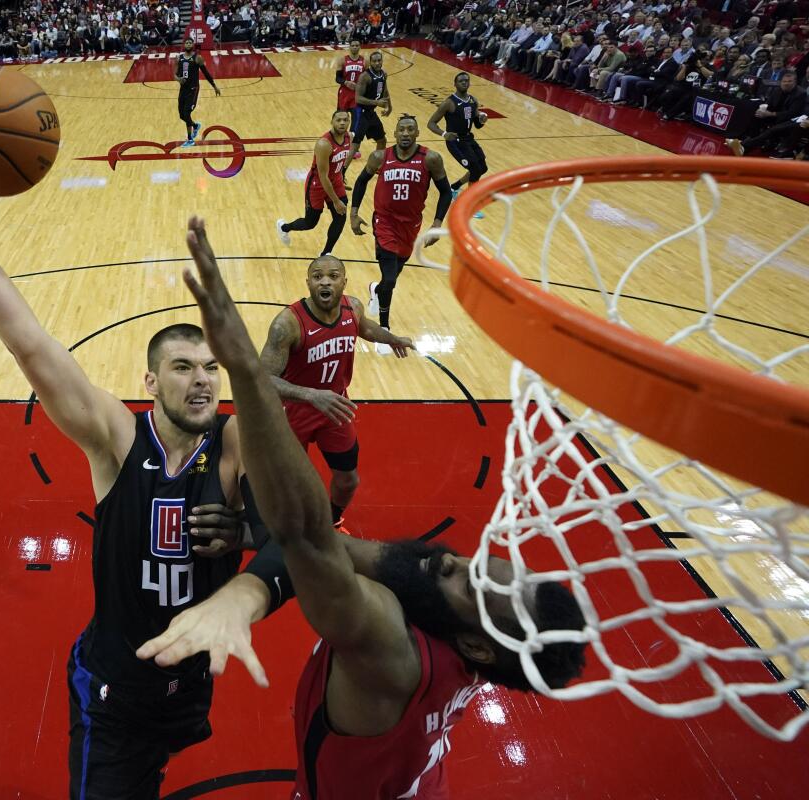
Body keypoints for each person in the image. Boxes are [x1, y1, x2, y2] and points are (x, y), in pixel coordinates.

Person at [142, 217, 589, 800]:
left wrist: (246, 375)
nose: (451, 561)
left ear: (478, 643)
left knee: (339, 485)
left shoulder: (389, 648)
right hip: (420, 784)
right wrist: (255, 537)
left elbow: (307, 536)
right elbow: (330, 545)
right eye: (479, 561)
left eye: (470, 582)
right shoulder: (470, 640)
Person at [0, 108, 288, 800]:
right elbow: (31, 343)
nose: (202, 378)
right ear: (150, 383)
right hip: (114, 695)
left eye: (209, 366)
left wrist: (245, 587)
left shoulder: (236, 444)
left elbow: (295, 542)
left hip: (189, 689)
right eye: (182, 367)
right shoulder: (118, 439)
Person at [259, 254, 416, 530]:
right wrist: (311, 395)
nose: (325, 282)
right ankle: (286, 533)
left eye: (333, 276)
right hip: (292, 411)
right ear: (308, 282)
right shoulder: (287, 324)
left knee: (348, 480)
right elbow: (262, 379)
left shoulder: (352, 307)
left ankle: (330, 520)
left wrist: (391, 339)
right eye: (318, 276)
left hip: (335, 407)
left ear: (344, 281)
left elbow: (364, 328)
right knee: (291, 483)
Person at [349, 115, 451, 346]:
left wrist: (436, 224)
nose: (405, 134)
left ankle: (377, 290)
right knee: (391, 278)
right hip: (384, 223)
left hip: (411, 226)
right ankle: (384, 328)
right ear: (394, 134)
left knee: (391, 278)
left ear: (416, 133)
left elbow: (445, 192)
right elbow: (361, 182)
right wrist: (354, 214)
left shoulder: (431, 159)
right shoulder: (380, 157)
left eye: (410, 130)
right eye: (401, 130)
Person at [276, 109, 352, 256]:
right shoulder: (324, 144)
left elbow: (344, 157)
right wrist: (336, 201)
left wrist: (341, 177)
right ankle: (284, 227)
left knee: (340, 217)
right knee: (310, 223)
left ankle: (326, 253)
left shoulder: (349, 137)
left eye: (345, 120)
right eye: (338, 120)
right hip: (317, 185)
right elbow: (323, 176)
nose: (342, 123)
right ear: (332, 122)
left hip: (335, 182)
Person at [426, 72, 488, 210]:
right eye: (461, 81)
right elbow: (431, 123)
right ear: (455, 84)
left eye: (466, 80)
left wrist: (482, 120)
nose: (464, 82)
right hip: (455, 141)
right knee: (475, 169)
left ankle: (454, 187)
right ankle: (470, 204)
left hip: (468, 138)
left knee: (483, 168)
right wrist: (444, 134)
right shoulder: (449, 103)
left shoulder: (473, 100)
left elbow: (477, 124)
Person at [343, 50, 392, 178]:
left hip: (371, 113)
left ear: (382, 61)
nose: (377, 63)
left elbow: (385, 91)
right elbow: (358, 99)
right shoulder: (365, 76)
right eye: (374, 61)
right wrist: (377, 102)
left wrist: (389, 106)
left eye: (379, 60)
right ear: (370, 62)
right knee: (355, 146)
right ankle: (340, 175)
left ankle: (377, 166)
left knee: (382, 140)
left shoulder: (383, 74)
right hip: (361, 113)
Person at [174, 38, 220, 147]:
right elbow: (174, 74)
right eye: (187, 42)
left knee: (186, 113)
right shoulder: (178, 58)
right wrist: (178, 79)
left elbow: (206, 73)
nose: (188, 44)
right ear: (184, 44)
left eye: (190, 42)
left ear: (193, 45)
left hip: (193, 89)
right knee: (181, 115)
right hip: (183, 89)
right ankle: (195, 126)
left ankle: (190, 139)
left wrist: (214, 86)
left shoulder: (197, 58)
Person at [335, 38, 365, 138]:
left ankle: (352, 141)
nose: (355, 47)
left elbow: (367, 79)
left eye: (357, 45)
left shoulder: (364, 61)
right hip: (344, 93)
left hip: (357, 94)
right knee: (341, 117)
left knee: (356, 118)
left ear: (360, 47)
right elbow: (337, 78)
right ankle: (339, 138)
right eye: (353, 45)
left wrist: (360, 86)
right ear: (349, 47)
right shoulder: (343, 60)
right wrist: (345, 82)